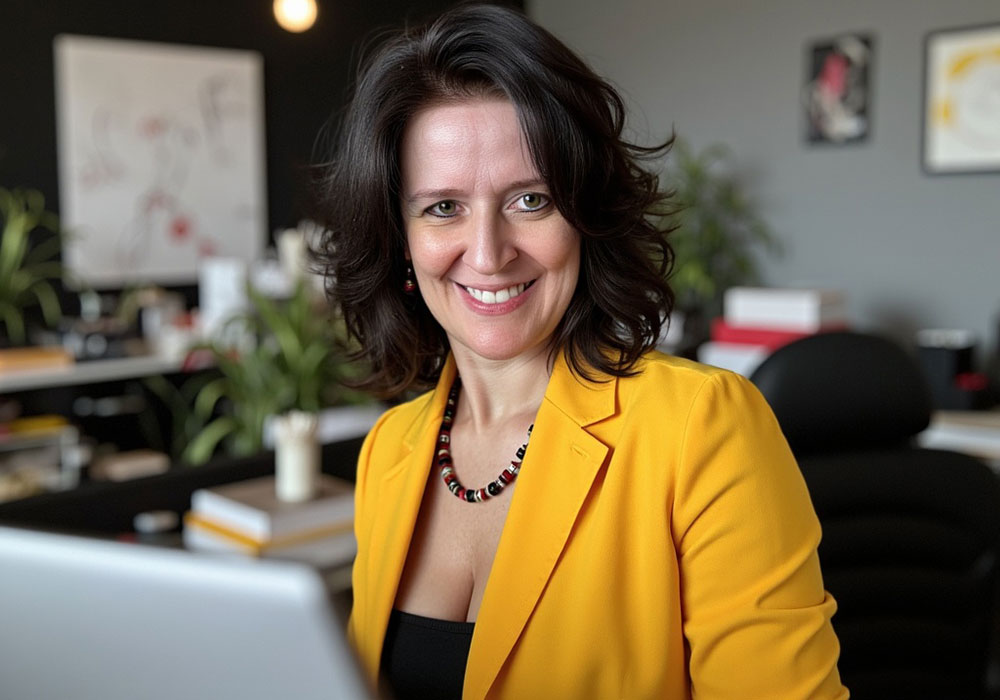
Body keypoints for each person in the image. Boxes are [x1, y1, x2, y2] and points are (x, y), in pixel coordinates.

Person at [316, 4, 847, 699]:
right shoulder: (387, 451)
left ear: (584, 216)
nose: (488, 254)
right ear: (401, 241)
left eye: (531, 200)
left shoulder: (702, 427)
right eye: (443, 207)